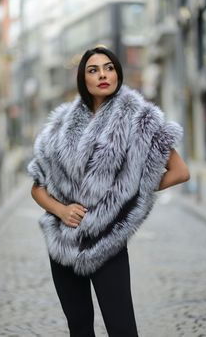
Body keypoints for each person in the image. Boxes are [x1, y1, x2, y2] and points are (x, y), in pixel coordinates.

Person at [28, 46, 190, 337]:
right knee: (79, 329)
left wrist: (126, 195)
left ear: (117, 73)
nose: (103, 74)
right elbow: (37, 188)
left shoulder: (140, 120)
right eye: (93, 70)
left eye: (109, 67)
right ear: (83, 79)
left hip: (108, 244)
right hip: (63, 246)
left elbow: (180, 172)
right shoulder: (60, 124)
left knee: (122, 329)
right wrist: (61, 210)